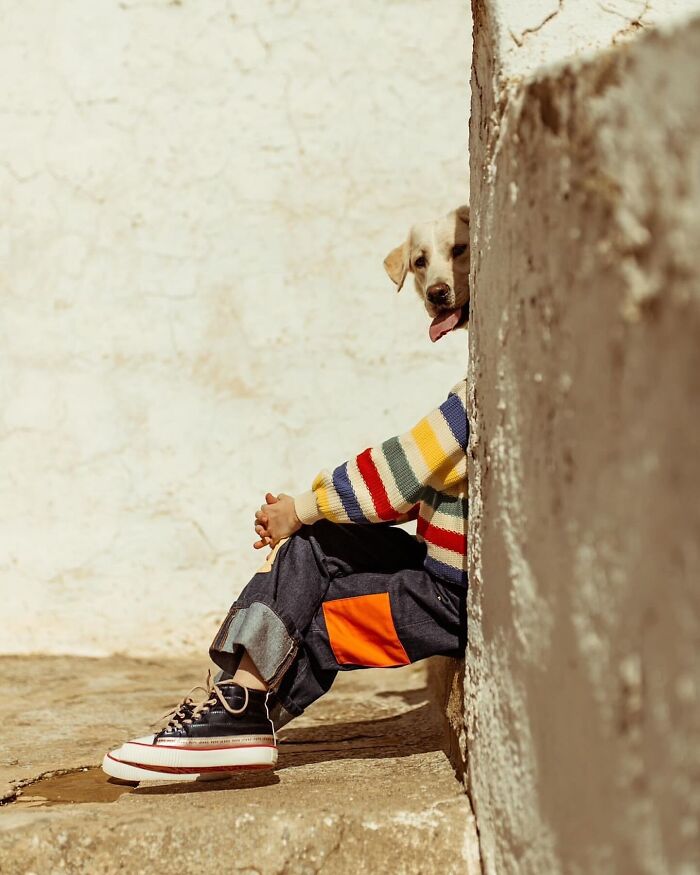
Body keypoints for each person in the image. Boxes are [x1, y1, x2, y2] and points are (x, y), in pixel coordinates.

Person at [102, 378, 468, 782]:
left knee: (314, 619)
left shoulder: (472, 398)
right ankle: (233, 711)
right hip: (433, 564)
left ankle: (235, 720)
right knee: (315, 539)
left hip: (447, 598)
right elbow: (416, 491)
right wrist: (305, 517)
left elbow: (398, 473)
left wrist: (300, 509)